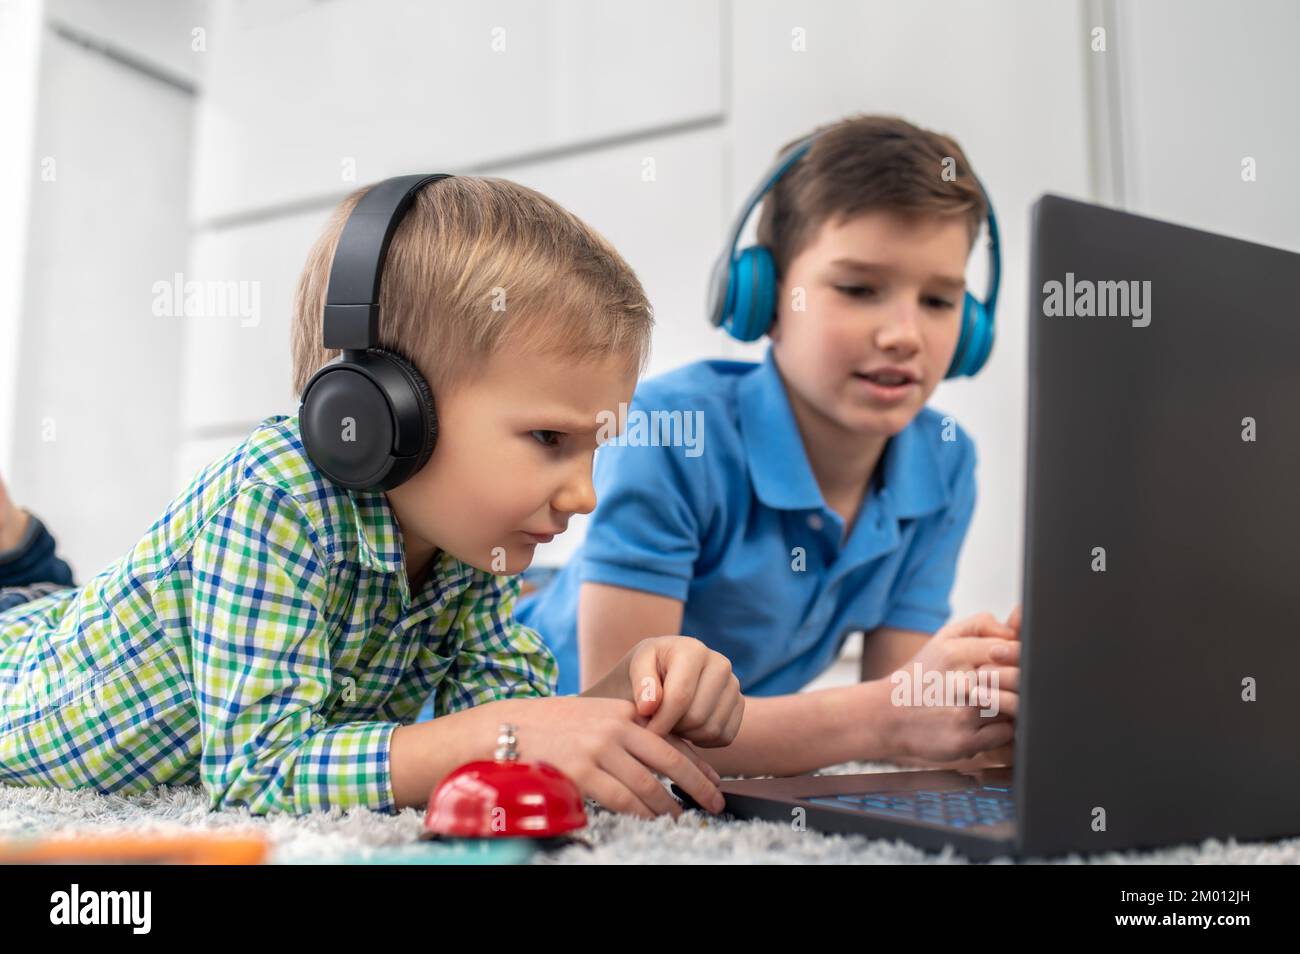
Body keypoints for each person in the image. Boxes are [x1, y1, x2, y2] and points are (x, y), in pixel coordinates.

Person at [0, 175, 744, 819]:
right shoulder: (273, 497)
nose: (584, 494)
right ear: (379, 413)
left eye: (596, 446)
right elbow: (258, 773)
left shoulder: (474, 547)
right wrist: (505, 733)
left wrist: (631, 696)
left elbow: (502, 726)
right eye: (549, 438)